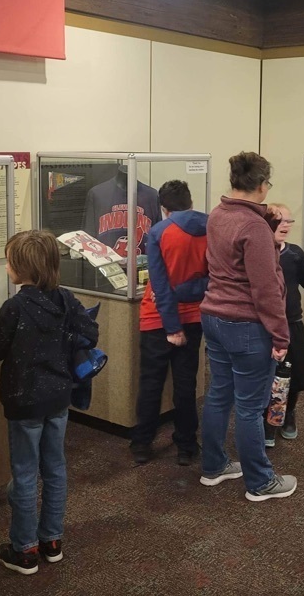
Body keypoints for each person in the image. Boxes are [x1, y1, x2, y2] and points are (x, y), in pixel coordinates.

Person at [0, 230, 99, 576]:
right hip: (58, 397)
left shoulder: (14, 307)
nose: (6, 267)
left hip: (24, 402)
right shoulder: (65, 299)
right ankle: (52, 540)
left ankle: (24, 549)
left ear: (21, 267)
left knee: (24, 473)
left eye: (9, 261)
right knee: (55, 467)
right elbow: (90, 332)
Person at [199, 151, 297, 502]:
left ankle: (214, 466)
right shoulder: (254, 227)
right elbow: (266, 288)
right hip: (246, 325)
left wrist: (264, 219)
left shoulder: (218, 214)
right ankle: (260, 481)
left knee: (219, 395)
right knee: (250, 407)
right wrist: (281, 335)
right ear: (261, 184)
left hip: (214, 316)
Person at [129, 179, 209, 467]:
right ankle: (186, 445)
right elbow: (214, 277)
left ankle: (142, 444)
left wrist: (172, 327)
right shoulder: (211, 227)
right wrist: (187, 292)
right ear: (190, 201)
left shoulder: (159, 232)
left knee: (151, 383)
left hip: (158, 318)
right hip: (194, 316)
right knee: (186, 385)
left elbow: (160, 285)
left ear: (164, 208)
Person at [264, 204, 304, 447]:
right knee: (268, 377)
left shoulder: (294, 254)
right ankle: (268, 421)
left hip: (292, 323)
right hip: (265, 326)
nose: (286, 225)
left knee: (293, 375)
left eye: (289, 221)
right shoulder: (258, 253)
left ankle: (288, 414)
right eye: (281, 220)